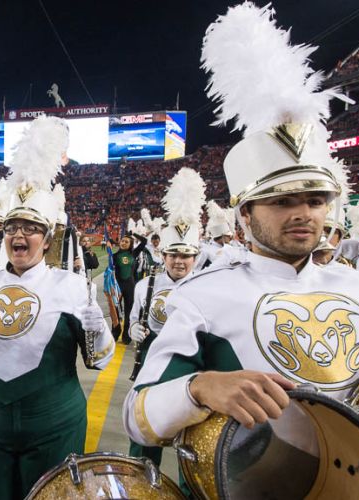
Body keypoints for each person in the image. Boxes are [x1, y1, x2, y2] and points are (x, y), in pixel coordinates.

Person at [123, 3, 359, 483]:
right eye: (282, 201)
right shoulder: (203, 298)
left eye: (316, 200)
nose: (304, 213)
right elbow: (137, 416)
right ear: (245, 214)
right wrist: (198, 387)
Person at [0, 116, 115, 499]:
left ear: (48, 238)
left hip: (55, 429)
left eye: (30, 228)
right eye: (11, 228)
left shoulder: (72, 286)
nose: (19, 235)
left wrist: (97, 328)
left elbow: (100, 359)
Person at [127, 166, 206, 467]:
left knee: (195, 440)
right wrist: (134, 328)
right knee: (145, 432)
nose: (179, 261)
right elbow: (135, 318)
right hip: (153, 363)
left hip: (192, 366)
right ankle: (141, 481)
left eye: (185, 255)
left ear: (195, 257)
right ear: (163, 255)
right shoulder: (145, 285)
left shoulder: (207, 288)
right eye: (173, 254)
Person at [113, 232, 146, 343]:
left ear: (131, 244)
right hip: (117, 286)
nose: (123, 243)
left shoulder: (134, 253)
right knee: (115, 311)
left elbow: (144, 241)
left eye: (126, 242)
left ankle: (126, 335)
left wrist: (134, 234)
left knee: (129, 311)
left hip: (130, 286)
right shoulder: (114, 256)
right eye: (122, 241)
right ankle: (115, 332)